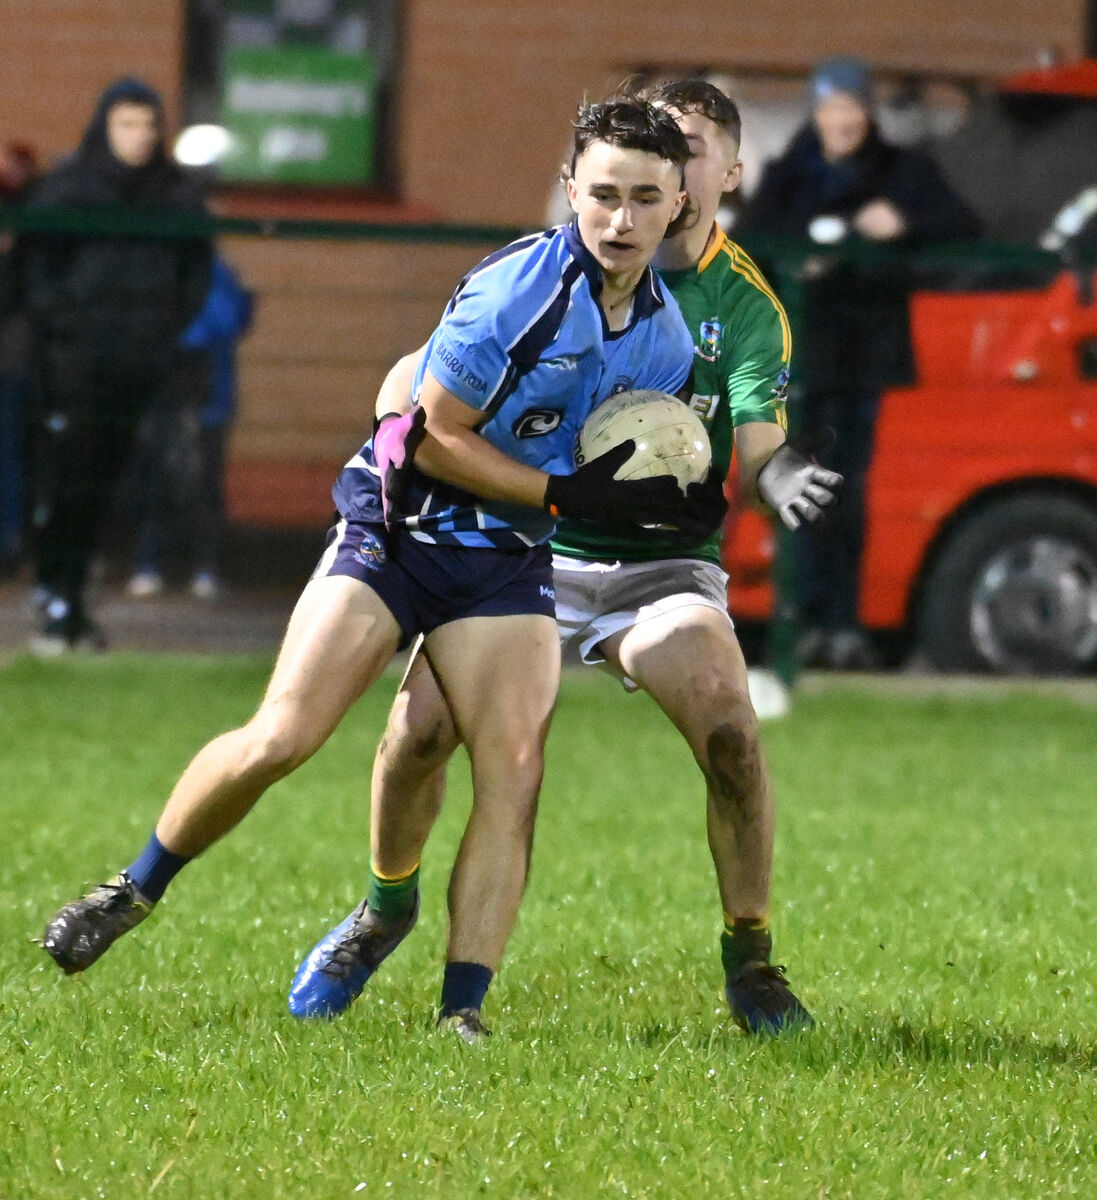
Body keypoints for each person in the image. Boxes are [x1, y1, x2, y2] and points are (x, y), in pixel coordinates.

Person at [41, 98, 724, 1043]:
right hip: (399, 531)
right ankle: (133, 889)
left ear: (678, 202)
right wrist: (567, 499)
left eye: (642, 199)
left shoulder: (666, 342)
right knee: (284, 735)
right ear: (570, 191)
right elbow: (432, 437)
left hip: (503, 559)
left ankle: (461, 1015)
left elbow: (626, 459)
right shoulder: (514, 294)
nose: (618, 219)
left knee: (515, 769)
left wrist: (667, 496)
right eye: (601, 194)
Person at [287, 80, 842, 1038]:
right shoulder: (565, 263)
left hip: (661, 572)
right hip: (524, 552)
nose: (661, 172)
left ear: (719, 176)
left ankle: (750, 958)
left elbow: (757, 439)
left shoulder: (744, 307)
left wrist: (780, 470)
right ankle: (383, 910)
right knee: (416, 737)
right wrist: (392, 432)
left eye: (690, 150)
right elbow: (426, 379)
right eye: (646, 156)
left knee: (729, 732)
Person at [740, 57, 980, 670]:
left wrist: (899, 223)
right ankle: (800, 619)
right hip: (800, 357)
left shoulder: (902, 173)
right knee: (795, 485)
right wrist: (798, 258)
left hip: (864, 354)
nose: (839, 121)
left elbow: (962, 225)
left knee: (848, 486)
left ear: (867, 113)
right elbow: (750, 246)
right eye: (828, 108)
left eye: (849, 107)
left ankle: (841, 623)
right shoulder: (789, 176)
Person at [18, 77, 212, 651]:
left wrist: (160, 328)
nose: (140, 136)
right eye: (127, 124)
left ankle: (74, 599)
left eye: (149, 124)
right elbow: (34, 271)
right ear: (105, 126)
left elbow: (195, 275)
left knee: (114, 488)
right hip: (72, 369)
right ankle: (58, 593)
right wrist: (65, 329)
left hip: (142, 367)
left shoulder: (175, 196)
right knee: (66, 481)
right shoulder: (67, 192)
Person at [126, 254, 255, 601]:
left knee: (203, 482)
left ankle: (203, 567)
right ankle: (151, 564)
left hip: (205, 397)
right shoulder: (163, 269)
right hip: (166, 396)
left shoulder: (215, 272)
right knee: (157, 479)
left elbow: (228, 320)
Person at [0, 140, 39, 577]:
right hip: (13, 358)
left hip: (10, 362)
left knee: (9, 453)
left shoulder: (28, 221)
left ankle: (9, 540)